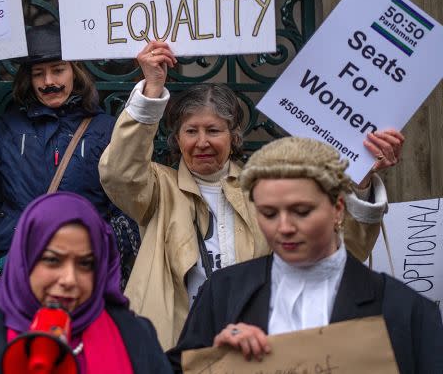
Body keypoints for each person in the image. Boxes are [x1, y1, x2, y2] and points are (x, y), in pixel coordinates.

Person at [98, 40, 404, 348]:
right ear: (177, 139)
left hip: (258, 345)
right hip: (175, 346)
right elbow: (119, 172)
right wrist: (151, 90)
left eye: (213, 130)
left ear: (234, 136)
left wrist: (362, 176)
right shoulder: (158, 187)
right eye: (191, 131)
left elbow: (345, 249)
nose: (202, 142)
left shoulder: (263, 188)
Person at [171, 137, 443, 374]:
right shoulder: (223, 291)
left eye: (301, 211)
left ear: (338, 209)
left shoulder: (406, 310)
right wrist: (216, 362)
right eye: (269, 214)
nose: (285, 228)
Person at [0, 24, 140, 283]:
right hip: (18, 263)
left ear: (75, 73)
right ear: (28, 80)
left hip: (80, 268)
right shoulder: (10, 128)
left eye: (58, 70)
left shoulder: (105, 130)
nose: (49, 82)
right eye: (38, 74)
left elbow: (128, 202)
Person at [0, 191, 170, 373]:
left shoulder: (136, 335)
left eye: (85, 264)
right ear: (25, 260)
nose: (69, 279)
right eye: (52, 260)